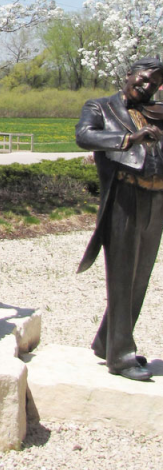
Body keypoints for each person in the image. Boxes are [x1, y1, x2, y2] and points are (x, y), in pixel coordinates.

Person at [76, 56, 163, 381]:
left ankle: (106, 342)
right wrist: (128, 140)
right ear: (128, 74)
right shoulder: (100, 107)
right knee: (123, 277)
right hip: (124, 198)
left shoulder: (157, 111)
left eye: (154, 83)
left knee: (140, 278)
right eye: (143, 79)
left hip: (156, 198)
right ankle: (121, 358)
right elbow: (84, 135)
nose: (147, 86)